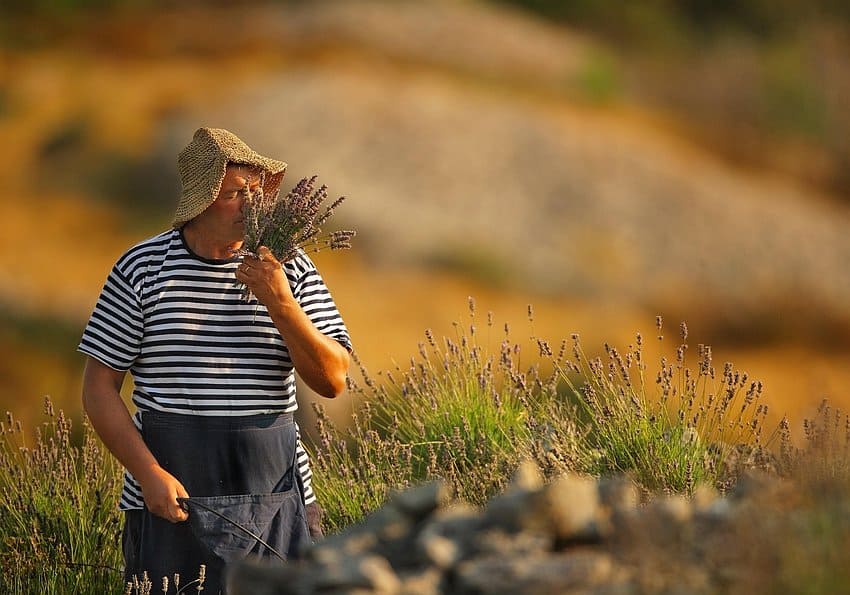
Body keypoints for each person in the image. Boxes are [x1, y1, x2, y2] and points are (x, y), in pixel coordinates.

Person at [79, 127, 352, 593]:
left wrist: (281, 302)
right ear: (200, 201)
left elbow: (333, 381)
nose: (251, 204)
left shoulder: (291, 268)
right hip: (171, 488)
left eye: (256, 192)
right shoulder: (142, 268)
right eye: (233, 194)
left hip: (277, 490)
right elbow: (98, 390)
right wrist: (148, 475)